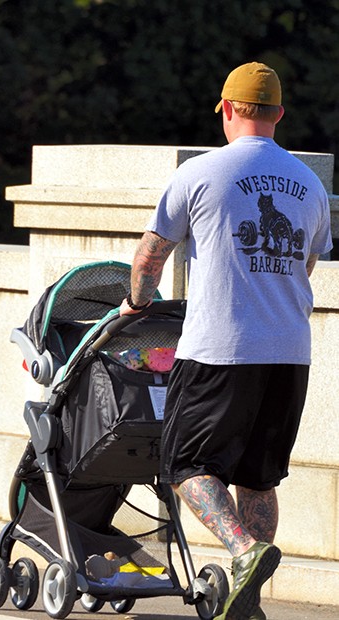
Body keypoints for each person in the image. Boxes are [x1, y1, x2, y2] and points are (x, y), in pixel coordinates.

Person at [119, 61, 333, 620]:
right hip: (289, 351)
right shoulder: (311, 185)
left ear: (229, 110)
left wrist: (137, 303)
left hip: (219, 348)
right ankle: (248, 601)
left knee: (186, 463)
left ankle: (243, 550)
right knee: (259, 477)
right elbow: (305, 264)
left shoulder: (199, 174)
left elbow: (150, 256)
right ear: (279, 114)